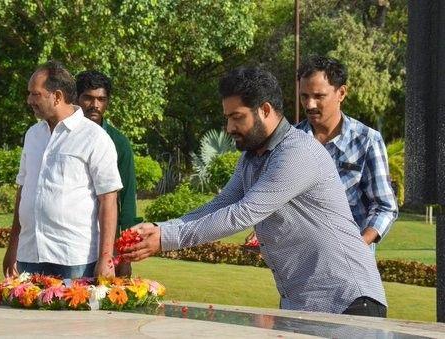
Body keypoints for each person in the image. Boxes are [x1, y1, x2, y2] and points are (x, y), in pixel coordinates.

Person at [124, 66, 387, 317]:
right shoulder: (252, 157)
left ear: (264, 110)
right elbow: (222, 203)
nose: (229, 128)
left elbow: (242, 214)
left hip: (348, 301)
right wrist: (161, 228)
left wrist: (166, 238)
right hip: (302, 303)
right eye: (227, 118)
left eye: (237, 117)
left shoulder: (297, 152)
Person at [2, 61, 123, 279]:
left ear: (57, 96)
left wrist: (106, 257)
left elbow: (108, 200)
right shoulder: (33, 135)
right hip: (30, 254)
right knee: (24, 315)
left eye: (35, 94)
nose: (29, 100)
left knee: (73, 315)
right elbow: (23, 192)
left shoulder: (94, 137)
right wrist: (13, 248)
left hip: (73, 258)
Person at [296, 56, 398, 248]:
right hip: (300, 264)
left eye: (318, 96)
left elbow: (385, 207)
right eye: (304, 96)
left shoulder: (367, 141)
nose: (310, 105)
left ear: (341, 93)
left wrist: (358, 246)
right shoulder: (291, 142)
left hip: (351, 269)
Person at [76, 70, 138, 277]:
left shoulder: (118, 142)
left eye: (101, 99)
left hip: (105, 241)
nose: (95, 105)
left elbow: (127, 200)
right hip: (70, 239)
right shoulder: (62, 136)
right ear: (76, 98)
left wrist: (125, 255)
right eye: (88, 98)